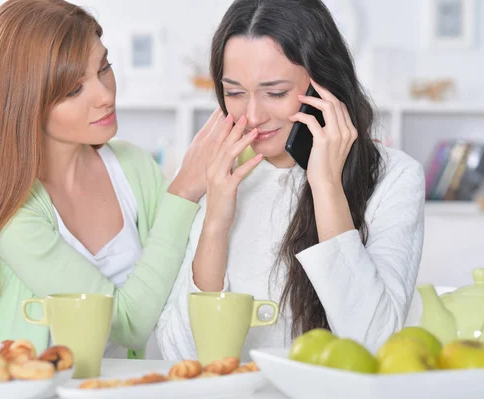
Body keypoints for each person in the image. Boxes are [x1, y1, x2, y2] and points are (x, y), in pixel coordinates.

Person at [0, 0, 260, 358]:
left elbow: (181, 296)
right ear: (25, 102)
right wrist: (182, 191)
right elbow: (126, 324)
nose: (105, 95)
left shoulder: (133, 165)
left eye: (104, 68)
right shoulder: (13, 216)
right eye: (74, 90)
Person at [155, 0, 425, 360]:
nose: (252, 115)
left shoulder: (394, 177)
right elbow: (181, 354)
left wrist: (326, 187)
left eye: (276, 93)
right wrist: (216, 222)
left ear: (324, 86)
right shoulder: (216, 174)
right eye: (234, 93)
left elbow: (373, 345)